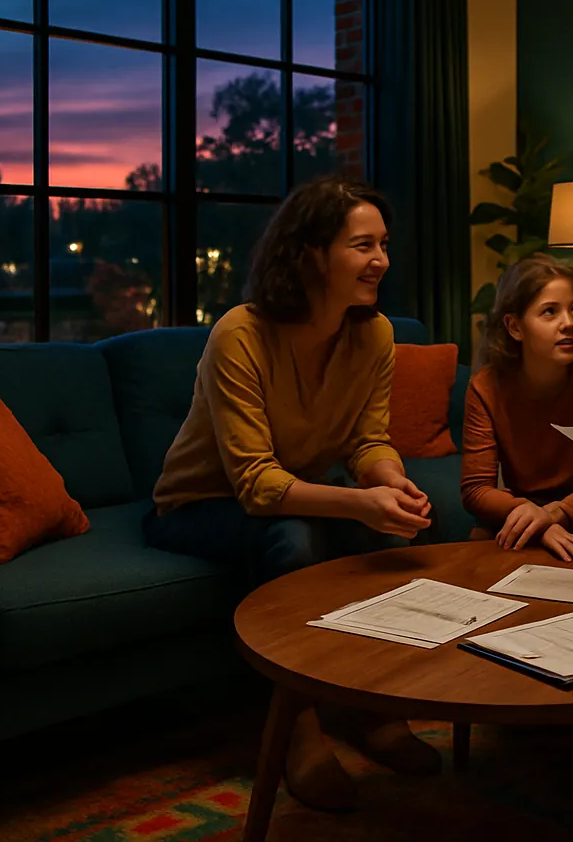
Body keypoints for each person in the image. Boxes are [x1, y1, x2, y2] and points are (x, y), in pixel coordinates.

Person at [143, 177, 439, 813]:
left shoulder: (376, 335)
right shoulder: (240, 334)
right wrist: (359, 502)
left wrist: (389, 480)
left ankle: (374, 706)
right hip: (197, 505)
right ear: (309, 253)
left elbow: (368, 441)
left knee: (377, 532)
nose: (382, 260)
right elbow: (255, 484)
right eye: (363, 245)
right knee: (298, 534)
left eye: (384, 244)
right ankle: (297, 729)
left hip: (290, 491)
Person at [461, 256, 573, 562]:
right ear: (515, 327)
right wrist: (536, 520)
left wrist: (553, 515)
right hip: (513, 516)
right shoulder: (486, 386)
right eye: (550, 312)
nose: (569, 323)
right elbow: (476, 489)